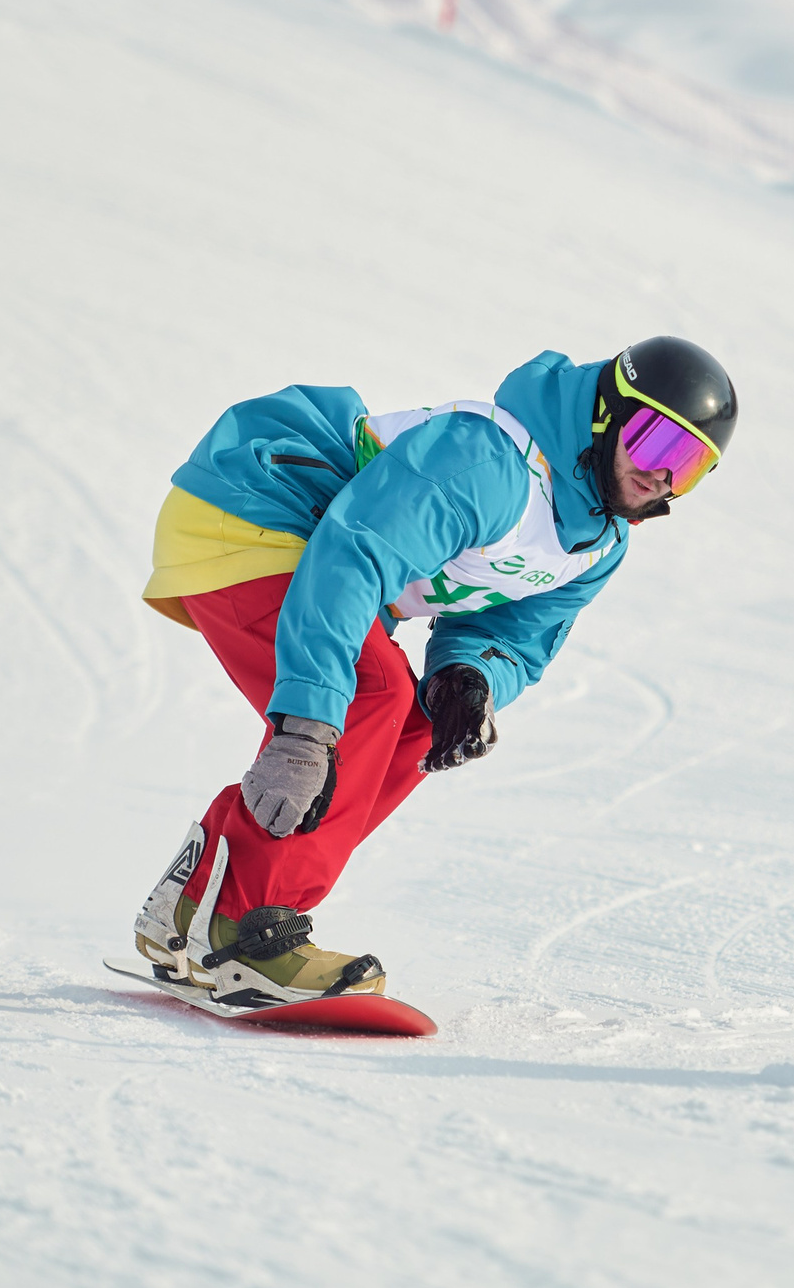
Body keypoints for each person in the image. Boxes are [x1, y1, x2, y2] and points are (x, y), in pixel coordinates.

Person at [130, 339, 738, 1007]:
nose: (662, 476)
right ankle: (246, 933)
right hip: (253, 510)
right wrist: (305, 725)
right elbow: (355, 553)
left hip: (303, 552)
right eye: (655, 444)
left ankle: (195, 908)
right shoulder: (493, 463)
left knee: (415, 725)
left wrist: (467, 676)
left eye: (690, 465)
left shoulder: (595, 545)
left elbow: (515, 634)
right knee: (371, 693)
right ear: (607, 414)